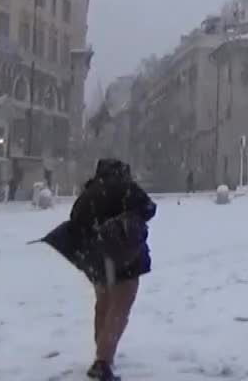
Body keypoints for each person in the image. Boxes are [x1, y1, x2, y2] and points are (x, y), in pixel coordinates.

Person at [39, 159, 156, 381]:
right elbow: (149, 209)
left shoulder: (88, 193)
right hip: (126, 259)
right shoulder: (126, 188)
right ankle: (102, 362)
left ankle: (103, 352)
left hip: (97, 260)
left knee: (103, 306)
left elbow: (75, 222)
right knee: (119, 309)